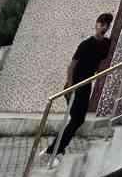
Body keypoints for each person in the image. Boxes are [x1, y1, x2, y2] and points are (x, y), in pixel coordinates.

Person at [46, 12, 114, 159]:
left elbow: (106, 58)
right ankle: (55, 149)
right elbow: (71, 66)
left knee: (78, 119)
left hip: (86, 85)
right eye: (100, 23)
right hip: (74, 85)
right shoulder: (86, 44)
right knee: (77, 119)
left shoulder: (106, 44)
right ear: (96, 24)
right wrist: (70, 87)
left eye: (105, 25)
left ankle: (57, 147)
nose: (102, 27)